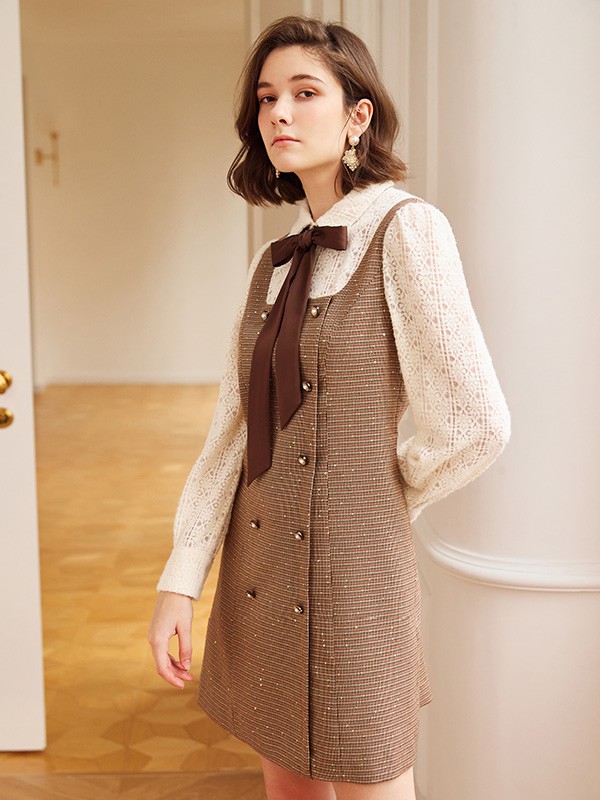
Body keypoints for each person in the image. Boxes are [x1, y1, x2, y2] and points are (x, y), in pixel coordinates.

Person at [148, 15, 511, 800]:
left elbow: (477, 422)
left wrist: (385, 492)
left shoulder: (408, 230)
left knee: (373, 771)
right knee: (288, 785)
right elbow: (231, 433)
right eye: (266, 97)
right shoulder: (272, 260)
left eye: (304, 93)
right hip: (258, 565)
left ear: (357, 115)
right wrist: (181, 578)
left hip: (355, 578)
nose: (278, 112)